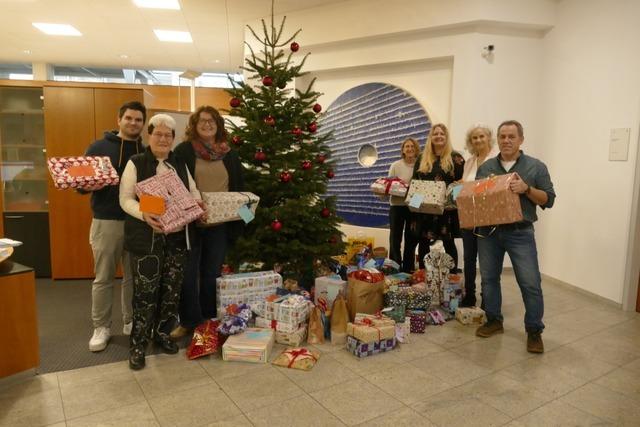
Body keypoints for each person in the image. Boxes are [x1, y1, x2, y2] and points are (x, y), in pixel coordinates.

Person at [119, 114, 203, 370]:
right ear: (149, 135)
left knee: (170, 291)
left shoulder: (179, 163)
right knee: (145, 293)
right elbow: (125, 199)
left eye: (168, 135)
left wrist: (196, 202)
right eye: (158, 134)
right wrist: (144, 214)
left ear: (173, 139)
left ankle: (161, 333)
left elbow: (193, 191)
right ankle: (138, 344)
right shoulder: (136, 162)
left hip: (176, 238)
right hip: (147, 238)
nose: (163, 139)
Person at [474, 120, 556, 354]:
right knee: (489, 279)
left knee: (530, 283)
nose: (506, 140)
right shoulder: (486, 167)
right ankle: (494, 321)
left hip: (521, 233)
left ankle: (534, 331)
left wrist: (526, 190)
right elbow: (478, 200)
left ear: (521, 139)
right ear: (497, 140)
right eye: (502, 136)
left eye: (511, 136)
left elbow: (549, 199)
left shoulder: (535, 167)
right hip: (489, 232)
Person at [170, 106, 245, 339]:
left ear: (218, 124)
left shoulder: (229, 153)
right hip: (190, 225)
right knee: (188, 274)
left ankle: (210, 319)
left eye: (211, 120)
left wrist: (245, 218)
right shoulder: (183, 151)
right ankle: (189, 321)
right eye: (202, 120)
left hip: (219, 227)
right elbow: (175, 185)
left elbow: (240, 189)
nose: (207, 124)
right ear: (194, 124)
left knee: (212, 273)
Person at [82, 101, 146, 352]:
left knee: (133, 277)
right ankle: (101, 327)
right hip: (106, 221)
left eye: (138, 120)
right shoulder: (98, 147)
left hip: (138, 222)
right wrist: (90, 185)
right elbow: (81, 184)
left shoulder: (146, 149)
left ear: (143, 123)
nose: (133, 123)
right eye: (129, 118)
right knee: (104, 277)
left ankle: (130, 321)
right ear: (119, 119)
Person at [412, 123, 464, 269]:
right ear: (431, 137)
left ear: (446, 137)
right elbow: (415, 182)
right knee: (423, 242)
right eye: (435, 134)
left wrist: (451, 200)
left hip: (446, 210)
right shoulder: (422, 157)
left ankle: (453, 278)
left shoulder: (456, 158)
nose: (439, 136)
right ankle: (422, 276)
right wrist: (415, 207)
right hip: (424, 209)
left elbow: (462, 183)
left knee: (448, 242)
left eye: (442, 134)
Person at [459, 124, 500, 307]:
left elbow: (496, 186)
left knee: (487, 260)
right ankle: (469, 296)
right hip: (469, 217)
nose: (478, 140)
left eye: (481, 136)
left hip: (489, 218)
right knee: (469, 259)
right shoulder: (469, 162)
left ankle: (488, 299)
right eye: (474, 138)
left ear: (488, 138)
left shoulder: (497, 160)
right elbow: (464, 184)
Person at [388, 138, 419, 272]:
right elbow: (389, 185)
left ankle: (408, 268)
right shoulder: (395, 165)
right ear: (403, 150)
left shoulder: (421, 165)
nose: (410, 148)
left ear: (416, 149)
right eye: (407, 146)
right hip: (397, 205)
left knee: (411, 239)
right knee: (395, 238)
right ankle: (394, 268)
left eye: (412, 146)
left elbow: (422, 187)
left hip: (414, 206)